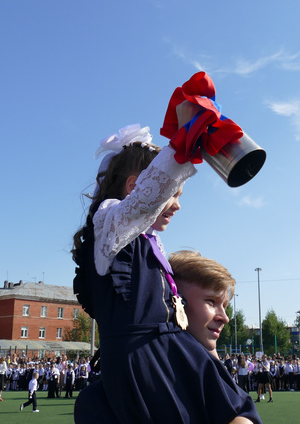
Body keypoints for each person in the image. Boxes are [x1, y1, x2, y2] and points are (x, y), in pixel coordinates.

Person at [71, 96, 260, 424]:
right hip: (144, 363)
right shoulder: (108, 225)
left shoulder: (147, 243)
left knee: (238, 413)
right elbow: (144, 201)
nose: (177, 204)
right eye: (174, 193)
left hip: (173, 354)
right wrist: (182, 143)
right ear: (135, 186)